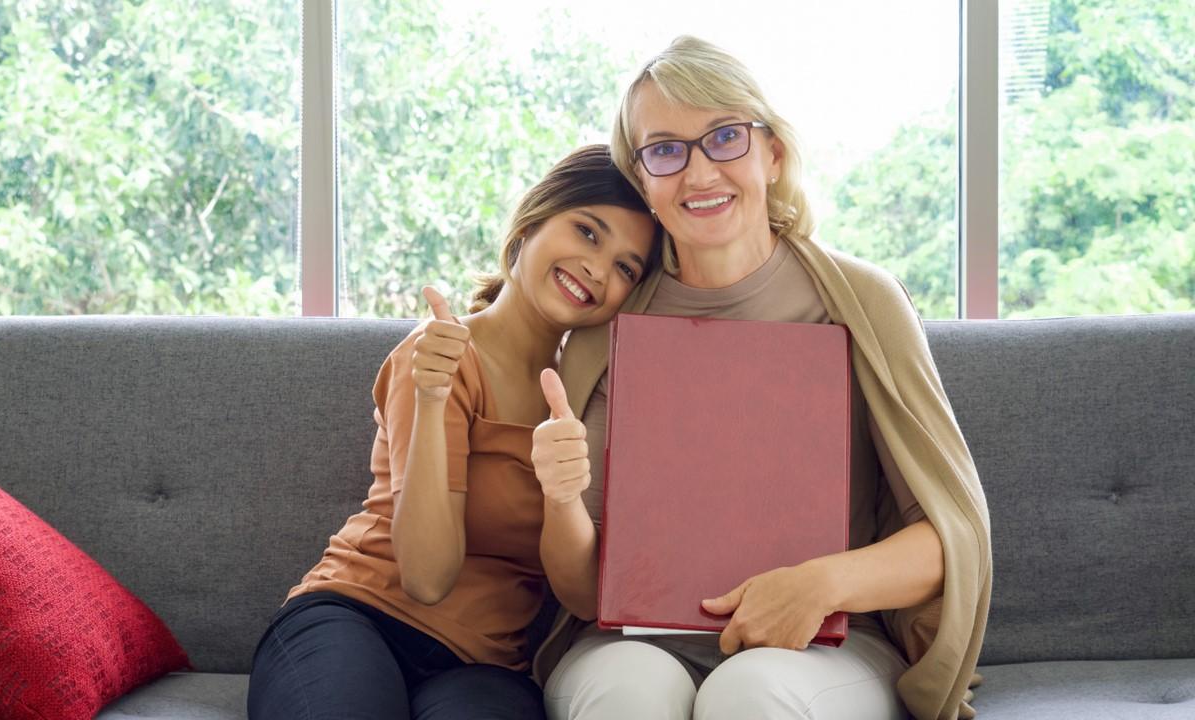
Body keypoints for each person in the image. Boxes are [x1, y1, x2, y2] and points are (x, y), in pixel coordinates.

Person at [530, 37, 992, 720]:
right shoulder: (605, 332)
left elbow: (951, 537)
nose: (698, 173)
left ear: (772, 153)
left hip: (829, 644)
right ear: (642, 180)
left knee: (750, 696)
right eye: (665, 150)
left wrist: (819, 585)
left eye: (724, 137)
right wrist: (562, 498)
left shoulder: (862, 301)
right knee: (626, 697)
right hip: (633, 640)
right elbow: (580, 593)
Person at [247, 144, 661, 720]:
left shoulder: (593, 401)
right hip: (355, 615)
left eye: (625, 267)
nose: (598, 268)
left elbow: (586, 598)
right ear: (530, 224)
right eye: (588, 232)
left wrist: (563, 493)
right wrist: (433, 396)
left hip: (485, 668)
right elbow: (426, 577)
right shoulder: (439, 353)